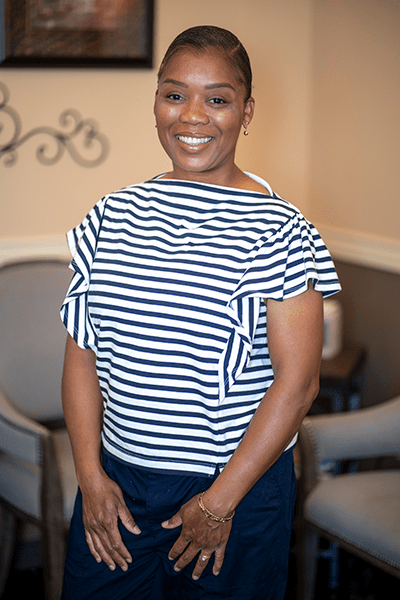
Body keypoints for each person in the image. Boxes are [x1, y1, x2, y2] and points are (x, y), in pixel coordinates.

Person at [60, 25, 341, 600]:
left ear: (246, 111)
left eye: (217, 99)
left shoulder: (280, 230)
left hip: (235, 489)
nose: (192, 115)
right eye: (174, 94)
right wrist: (90, 476)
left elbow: (298, 384)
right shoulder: (110, 216)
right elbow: (81, 357)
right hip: (118, 485)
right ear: (156, 103)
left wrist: (218, 504)